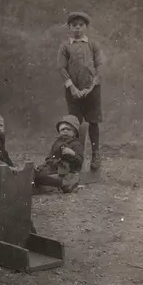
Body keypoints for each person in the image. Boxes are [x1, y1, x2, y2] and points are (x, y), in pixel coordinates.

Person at [58, 11, 104, 170]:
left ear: (86, 27)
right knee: (74, 124)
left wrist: (90, 88)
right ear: (69, 27)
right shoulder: (65, 46)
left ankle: (95, 155)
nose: (77, 28)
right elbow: (61, 68)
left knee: (93, 122)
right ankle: (74, 158)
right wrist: (72, 88)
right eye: (74, 25)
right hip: (73, 92)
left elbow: (99, 67)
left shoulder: (93, 45)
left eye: (81, 25)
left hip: (92, 91)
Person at [34, 115, 84, 193]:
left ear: (74, 132)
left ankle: (64, 183)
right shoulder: (57, 143)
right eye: (63, 129)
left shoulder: (76, 144)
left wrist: (72, 154)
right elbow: (50, 156)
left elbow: (79, 161)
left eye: (68, 129)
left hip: (67, 172)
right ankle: (38, 180)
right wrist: (44, 165)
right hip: (54, 168)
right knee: (35, 173)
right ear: (59, 131)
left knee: (39, 178)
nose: (65, 131)